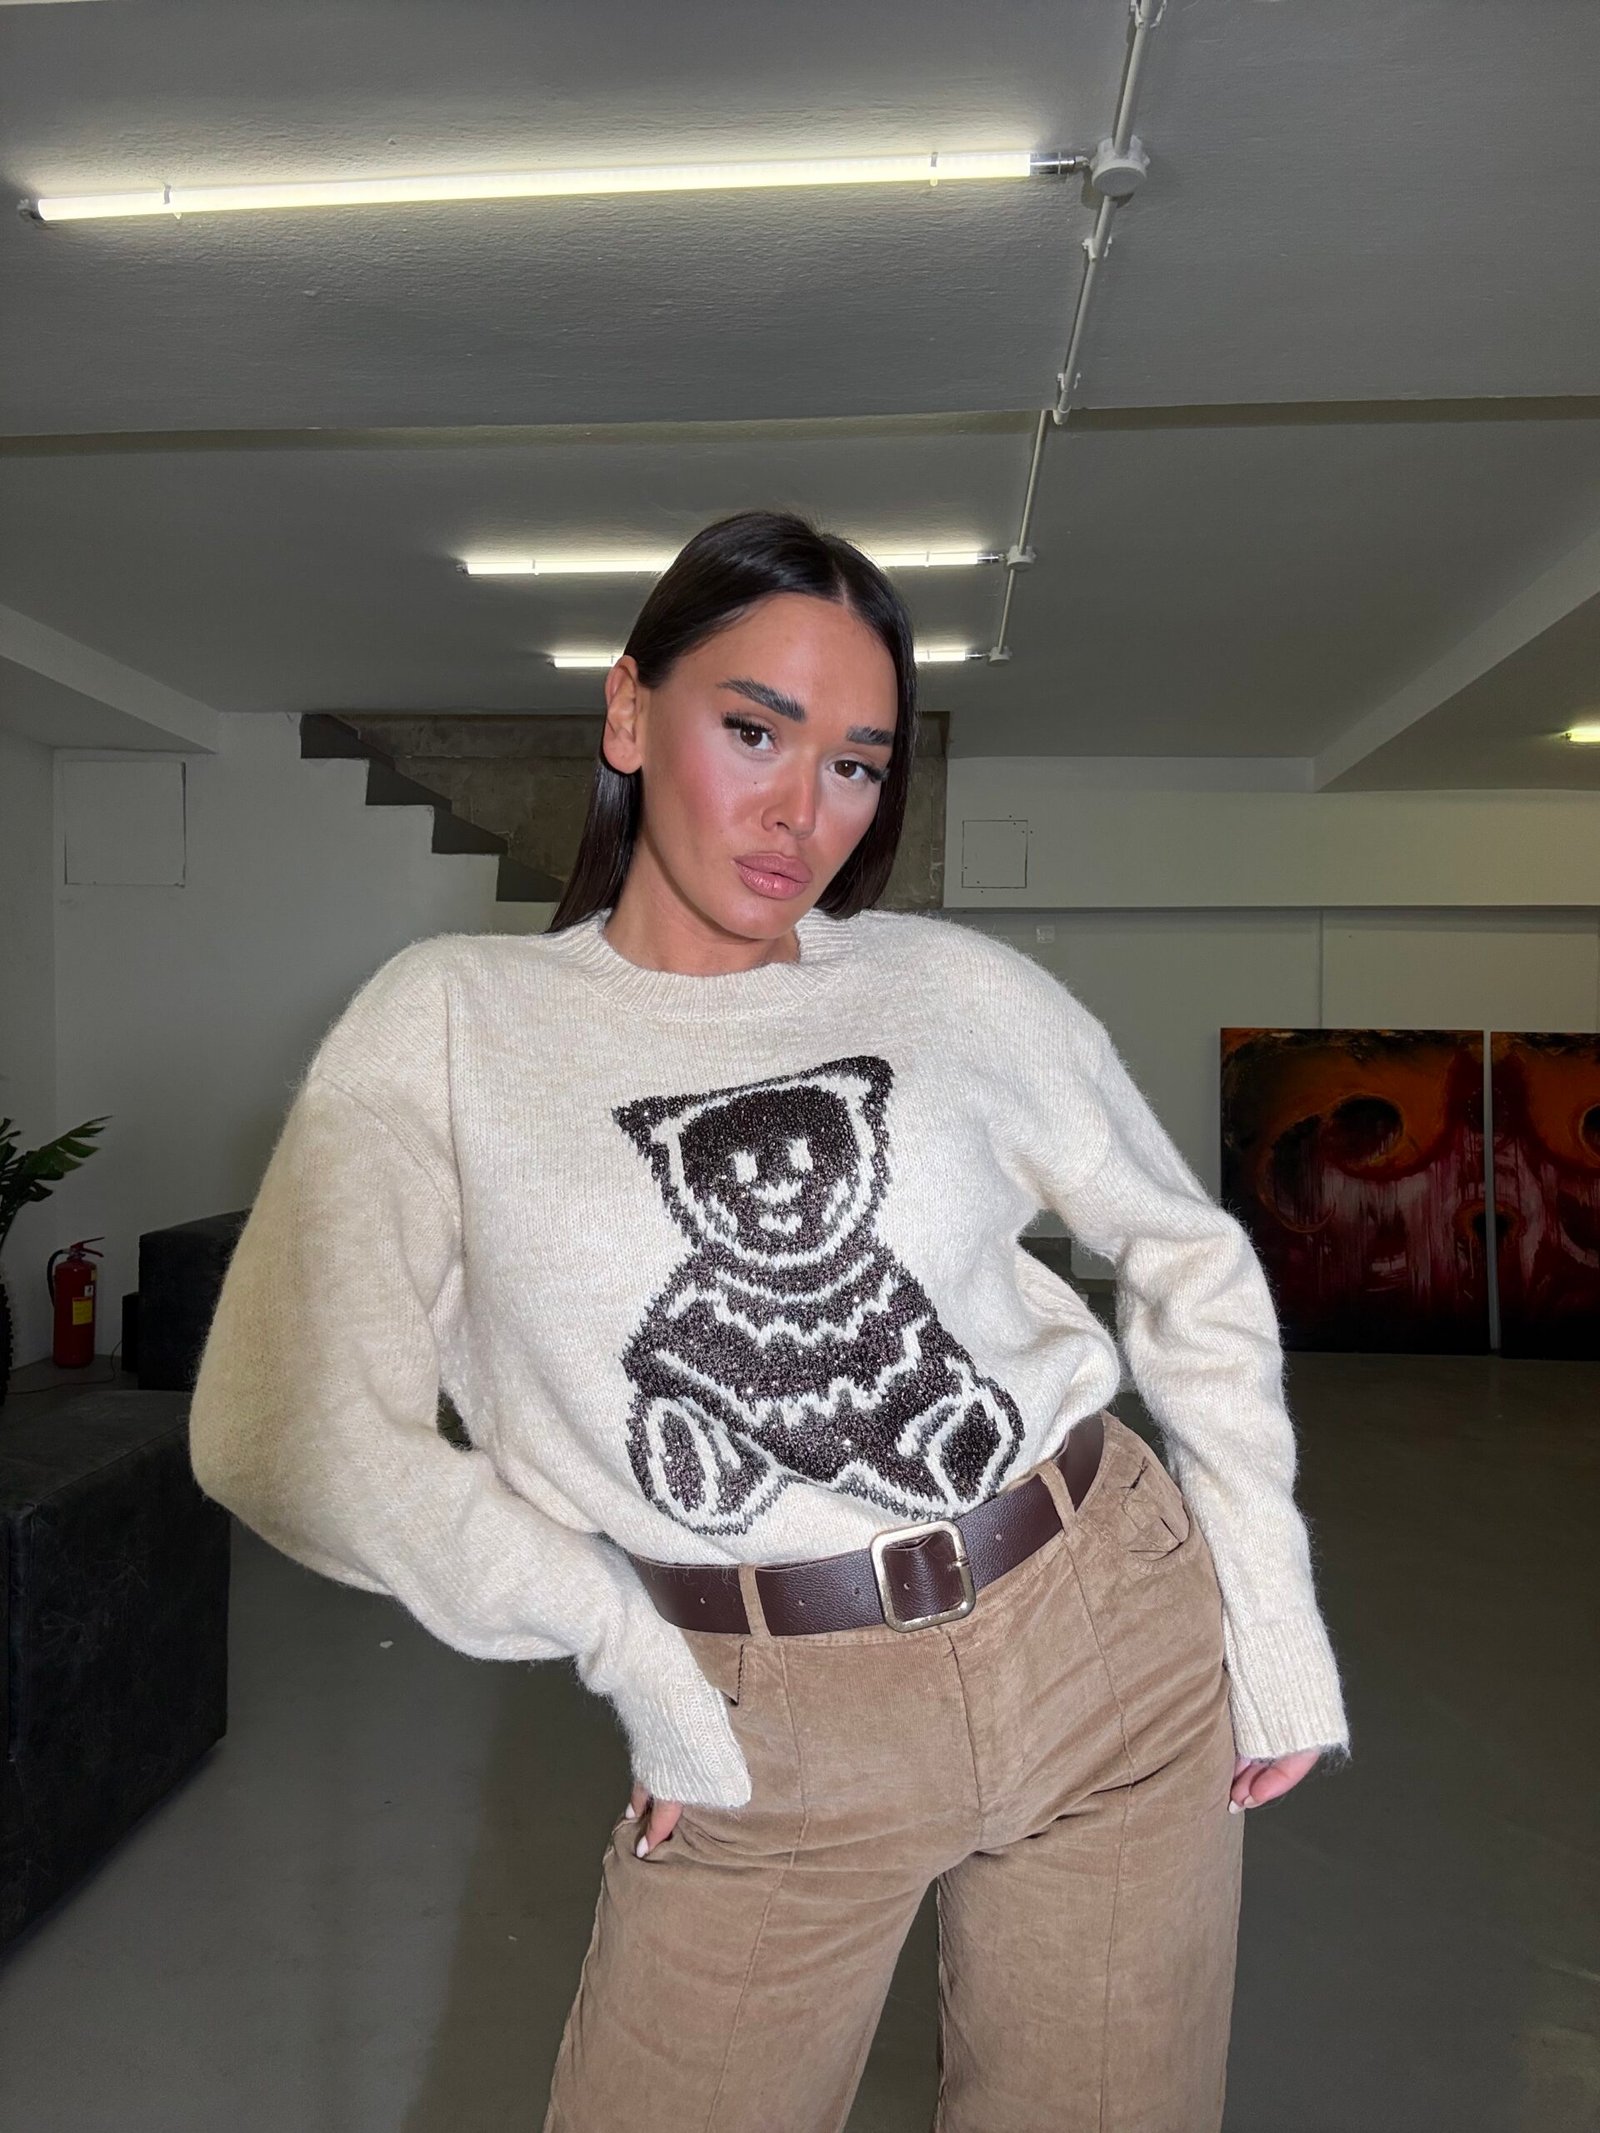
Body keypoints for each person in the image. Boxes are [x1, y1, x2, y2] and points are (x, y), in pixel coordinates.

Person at [188, 509, 1349, 2133]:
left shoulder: (949, 989)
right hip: (763, 1708)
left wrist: (1271, 1615)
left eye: (858, 764)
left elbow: (1189, 1252)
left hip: (1107, 1633)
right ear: (627, 712)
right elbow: (279, 1428)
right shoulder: (453, 1026)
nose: (805, 812)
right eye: (754, 730)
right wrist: (621, 1640)